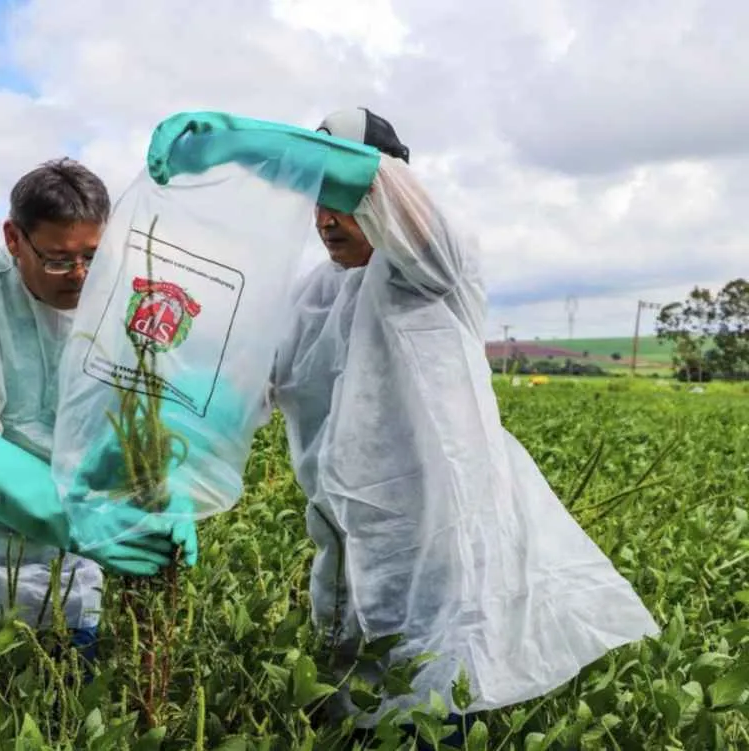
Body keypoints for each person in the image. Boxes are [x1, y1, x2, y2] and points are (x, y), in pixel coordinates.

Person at [264, 108, 661, 747]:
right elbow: (262, 379)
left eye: (341, 197)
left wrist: (274, 147)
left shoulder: (427, 268)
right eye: (317, 198)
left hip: (437, 535)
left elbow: (415, 226)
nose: (325, 218)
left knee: (430, 690)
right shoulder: (316, 292)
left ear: (386, 192)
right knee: (351, 690)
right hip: (343, 533)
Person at [0, 157, 197, 751]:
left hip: (77, 538)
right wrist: (80, 523)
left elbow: (146, 413)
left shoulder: (120, 292)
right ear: (12, 239)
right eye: (57, 258)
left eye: (92, 256)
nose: (78, 274)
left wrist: (165, 492)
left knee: (69, 696)